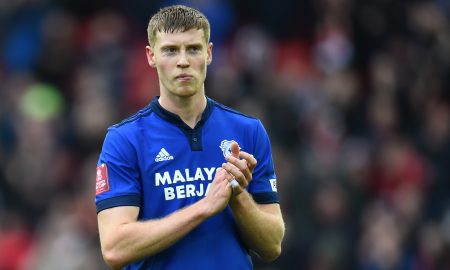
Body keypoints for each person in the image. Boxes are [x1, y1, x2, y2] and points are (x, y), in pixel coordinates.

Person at [95, 5, 285, 270]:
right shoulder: (124, 140)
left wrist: (238, 195)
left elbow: (272, 245)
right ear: (151, 56)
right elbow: (114, 249)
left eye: (193, 49)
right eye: (171, 50)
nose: (182, 60)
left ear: (208, 53)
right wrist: (204, 207)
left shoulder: (247, 131)